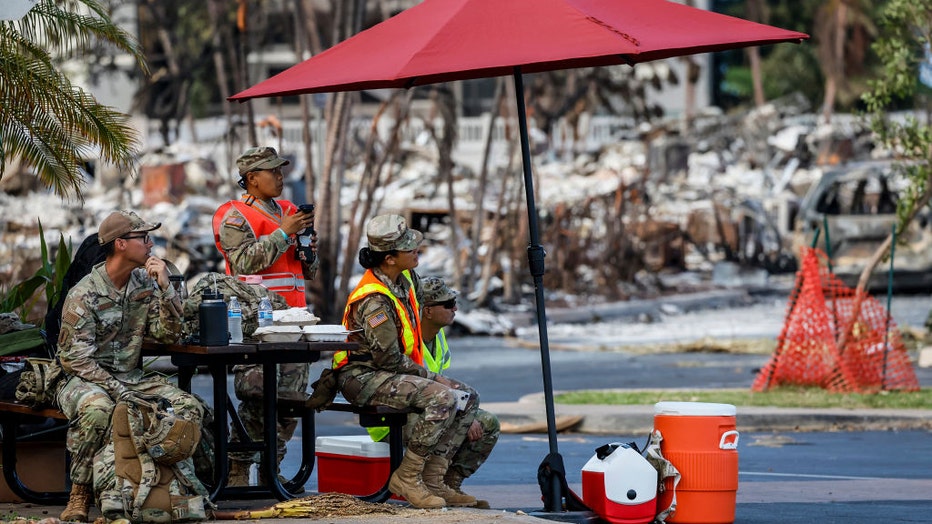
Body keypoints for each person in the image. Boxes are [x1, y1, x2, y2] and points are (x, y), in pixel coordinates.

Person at [56, 210, 204, 522]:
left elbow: (169, 333)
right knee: (97, 409)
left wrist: (165, 287)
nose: (151, 244)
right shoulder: (84, 294)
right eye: (144, 238)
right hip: (81, 379)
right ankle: (80, 492)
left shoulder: (143, 284)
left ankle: (163, 485)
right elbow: (76, 359)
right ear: (120, 244)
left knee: (187, 407)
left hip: (129, 377)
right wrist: (119, 391)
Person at [333, 214, 481, 509]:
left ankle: (435, 480)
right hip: (364, 376)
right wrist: (432, 377)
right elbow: (386, 358)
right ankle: (408, 477)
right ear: (389, 258)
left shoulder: (406, 279)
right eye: (408, 248)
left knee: (467, 397)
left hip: (393, 372)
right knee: (442, 396)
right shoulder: (374, 299)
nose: (417, 250)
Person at [212, 146, 318, 487]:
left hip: (296, 320)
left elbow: (309, 271)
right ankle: (238, 468)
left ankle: (272, 468)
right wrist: (284, 233)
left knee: (291, 399)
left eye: (281, 170)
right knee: (257, 394)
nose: (280, 177)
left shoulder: (288, 211)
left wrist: (307, 247)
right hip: (255, 321)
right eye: (271, 171)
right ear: (251, 178)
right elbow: (244, 262)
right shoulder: (234, 216)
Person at [416, 277, 499, 508]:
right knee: (468, 419)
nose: (455, 308)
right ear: (428, 311)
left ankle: (450, 485)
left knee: (487, 423)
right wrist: (461, 416)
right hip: (401, 414)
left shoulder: (439, 337)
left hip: (436, 406)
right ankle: (432, 482)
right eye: (448, 303)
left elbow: (445, 386)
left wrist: (464, 413)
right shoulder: (408, 339)